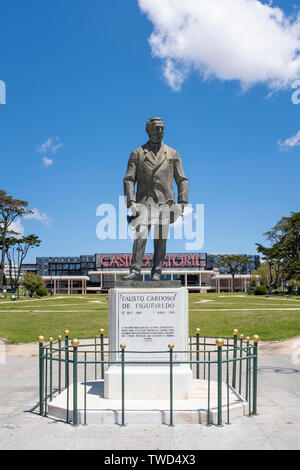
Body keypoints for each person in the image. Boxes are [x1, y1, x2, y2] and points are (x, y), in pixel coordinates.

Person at [123, 117, 189, 281]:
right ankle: (135, 270)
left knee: (160, 240)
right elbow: (129, 179)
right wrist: (131, 202)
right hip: (143, 203)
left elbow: (182, 179)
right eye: (156, 129)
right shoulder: (137, 153)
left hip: (165, 204)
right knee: (141, 235)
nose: (160, 132)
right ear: (148, 130)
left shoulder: (173, 153)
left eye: (162, 129)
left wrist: (182, 203)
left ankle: (157, 272)